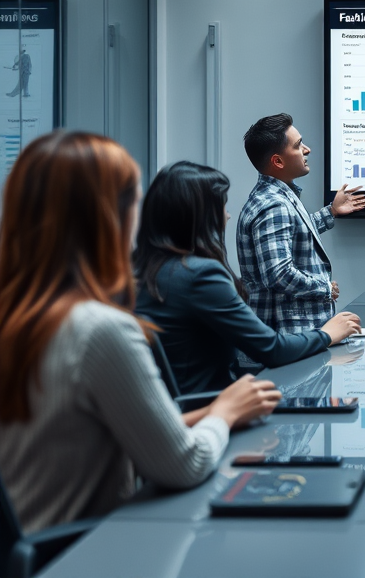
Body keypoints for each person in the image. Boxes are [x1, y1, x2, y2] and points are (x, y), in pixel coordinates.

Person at [0, 132, 282, 533]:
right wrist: (224, 412)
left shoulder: (18, 316)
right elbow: (185, 465)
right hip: (80, 553)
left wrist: (216, 412)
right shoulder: (100, 330)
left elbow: (93, 435)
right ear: (110, 217)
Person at [135, 161, 363, 395]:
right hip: (215, 409)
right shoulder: (202, 276)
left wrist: (330, 212)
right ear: (201, 215)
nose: (228, 215)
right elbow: (272, 349)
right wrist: (327, 334)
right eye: (222, 206)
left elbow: (293, 231)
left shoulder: (141, 270)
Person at [237, 113, 364, 334]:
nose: (307, 150)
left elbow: (292, 234)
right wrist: (324, 287)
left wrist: (331, 212)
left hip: (290, 337)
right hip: (287, 338)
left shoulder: (273, 198)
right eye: (298, 146)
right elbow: (279, 275)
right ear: (277, 161)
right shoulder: (273, 206)